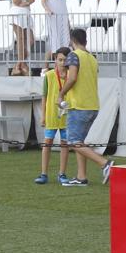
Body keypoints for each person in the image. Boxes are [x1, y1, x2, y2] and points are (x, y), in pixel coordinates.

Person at [59, 27, 113, 187]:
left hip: (79, 105)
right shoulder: (92, 58)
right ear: (85, 41)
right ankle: (81, 177)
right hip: (93, 105)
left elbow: (73, 77)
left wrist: (61, 94)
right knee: (79, 142)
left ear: (72, 41)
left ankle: (105, 164)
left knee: (74, 141)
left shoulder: (74, 56)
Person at [36, 48, 72, 185]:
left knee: (64, 144)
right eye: (60, 59)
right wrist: (43, 116)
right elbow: (44, 96)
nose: (62, 63)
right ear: (55, 60)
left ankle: (62, 173)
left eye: (65, 60)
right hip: (52, 114)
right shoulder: (49, 76)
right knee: (47, 143)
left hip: (67, 114)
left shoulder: (72, 76)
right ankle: (43, 173)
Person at [7, 0, 32, 76]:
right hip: (17, 13)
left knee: (30, 40)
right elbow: (16, 2)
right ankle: (23, 64)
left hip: (26, 12)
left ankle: (18, 63)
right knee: (21, 38)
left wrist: (25, 2)